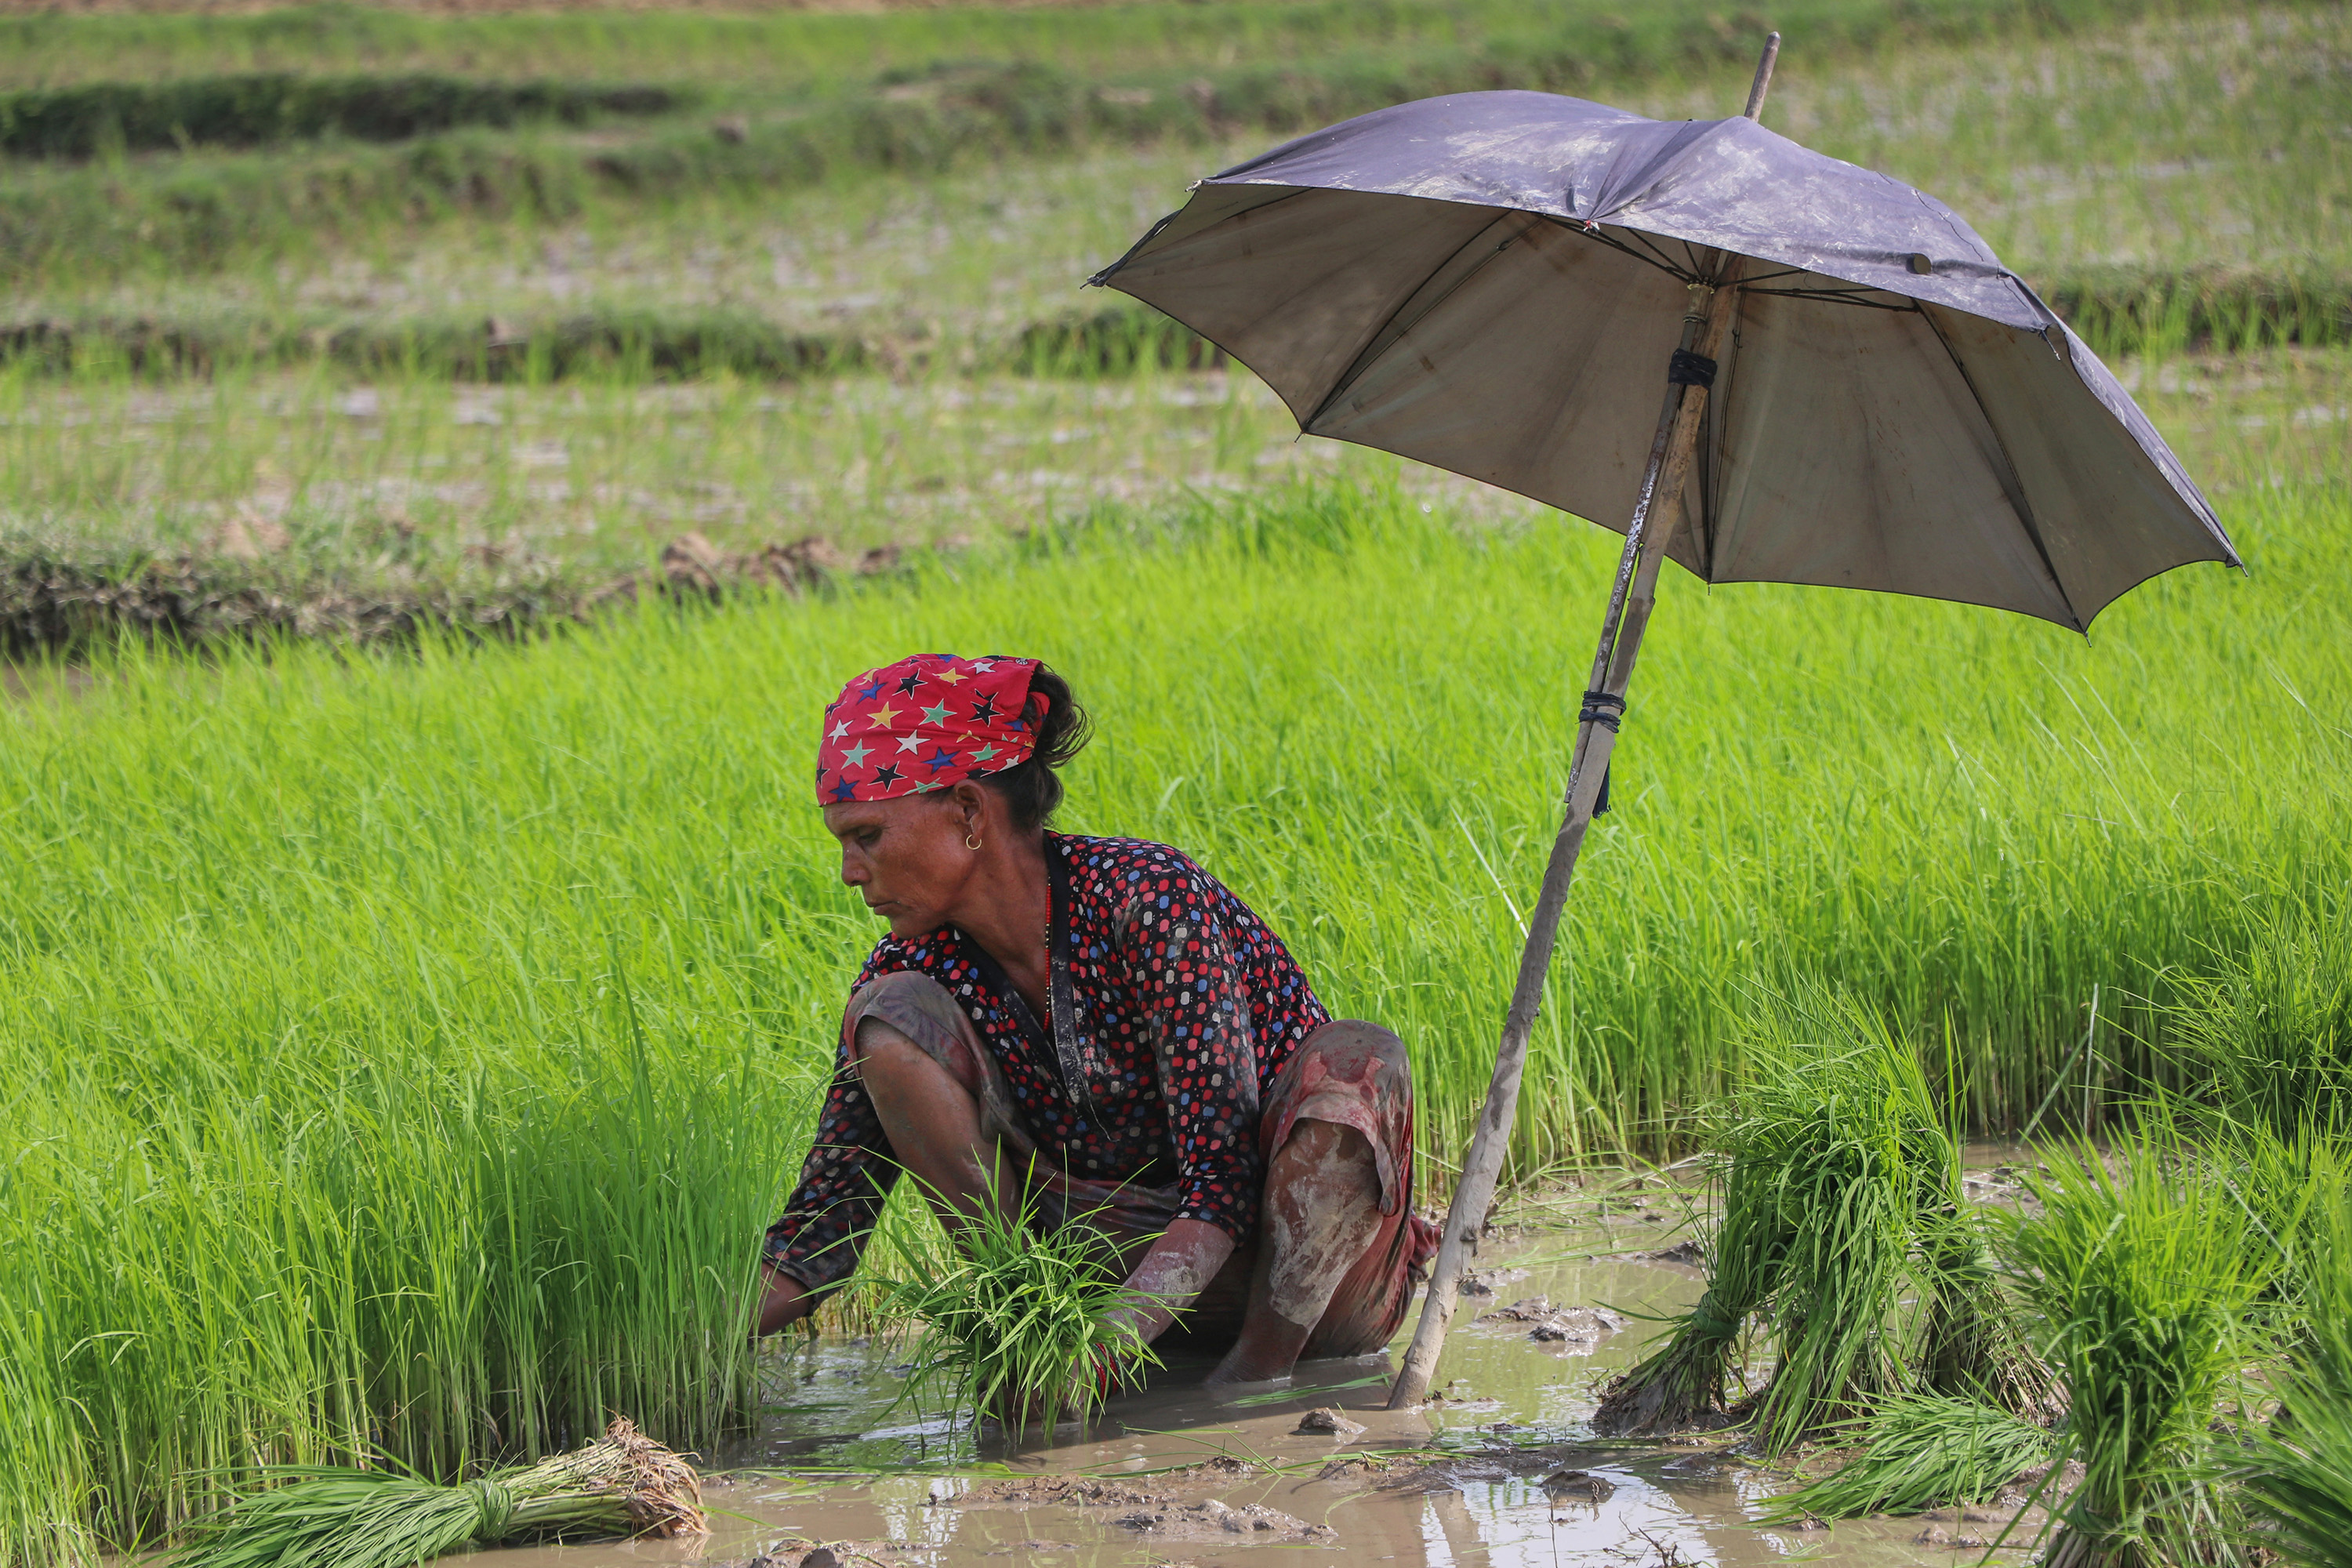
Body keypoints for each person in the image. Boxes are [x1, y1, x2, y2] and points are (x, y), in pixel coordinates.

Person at [757, 652, 1437, 1390]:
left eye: (867, 837)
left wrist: (1097, 1362)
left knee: (1358, 1058)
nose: (851, 872)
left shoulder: (1147, 903)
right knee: (886, 1020)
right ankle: (1025, 1341)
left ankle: (1250, 1383)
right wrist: (646, 1355)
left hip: (1304, 1291)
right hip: (1101, 1303)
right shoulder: (910, 974)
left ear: (967, 812)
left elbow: (1221, 1183)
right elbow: (815, 1242)